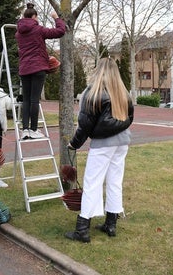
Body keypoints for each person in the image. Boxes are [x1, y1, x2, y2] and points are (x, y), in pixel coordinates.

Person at [65, 57, 134, 242]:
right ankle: (111, 224)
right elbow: (129, 118)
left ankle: (82, 229)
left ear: (98, 70)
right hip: (122, 143)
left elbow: (85, 125)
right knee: (114, 181)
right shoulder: (122, 92)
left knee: (92, 184)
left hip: (104, 144)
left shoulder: (93, 92)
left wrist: (74, 144)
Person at [15, 3, 66, 139]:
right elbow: (60, 31)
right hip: (38, 68)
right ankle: (33, 130)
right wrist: (56, 18)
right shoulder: (38, 30)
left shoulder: (18, 33)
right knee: (34, 100)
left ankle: (25, 129)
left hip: (24, 68)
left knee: (26, 99)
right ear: (35, 17)